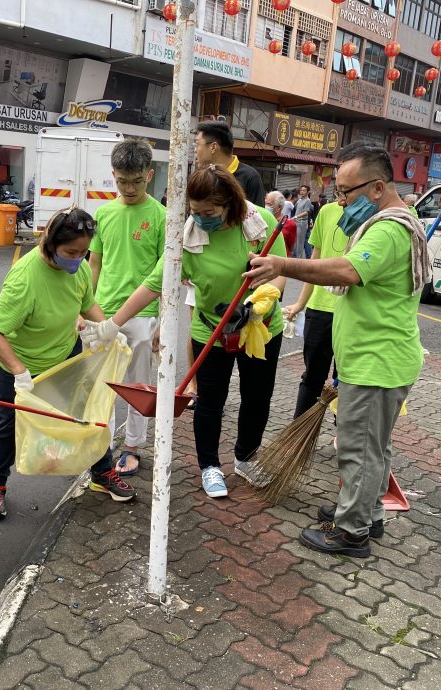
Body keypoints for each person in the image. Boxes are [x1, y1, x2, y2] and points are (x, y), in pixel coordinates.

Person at [244, 143, 430, 558]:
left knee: (358, 449)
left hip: (376, 361)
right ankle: (366, 513)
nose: (340, 200)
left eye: (346, 192)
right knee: (373, 447)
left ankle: (351, 532)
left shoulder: (388, 230)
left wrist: (283, 265)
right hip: (378, 358)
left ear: (378, 187)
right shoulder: (397, 220)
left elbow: (348, 269)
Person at [86, 166, 287, 499]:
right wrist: (111, 324)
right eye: (195, 211)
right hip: (212, 330)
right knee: (209, 401)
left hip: (260, 328)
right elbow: (153, 285)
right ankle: (209, 466)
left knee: (257, 397)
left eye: (209, 212)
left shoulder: (259, 222)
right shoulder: (188, 239)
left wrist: (262, 301)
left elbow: (280, 271)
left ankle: (246, 458)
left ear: (230, 204)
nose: (201, 218)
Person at [0, 207, 136, 519]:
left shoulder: (76, 269)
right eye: (71, 252)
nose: (78, 259)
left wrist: (107, 328)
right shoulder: (25, 279)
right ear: (50, 244)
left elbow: (87, 303)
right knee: (10, 422)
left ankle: (102, 472)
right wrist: (19, 371)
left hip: (63, 354)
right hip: (19, 361)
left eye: (83, 252)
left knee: (84, 411)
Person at [88, 138, 165, 476]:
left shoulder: (163, 217)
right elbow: (93, 265)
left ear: (149, 174)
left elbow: (167, 274)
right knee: (100, 386)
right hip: (101, 314)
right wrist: (83, 309)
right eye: (122, 181)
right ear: (113, 175)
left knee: (137, 387)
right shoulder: (103, 213)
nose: (129, 188)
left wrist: (164, 321)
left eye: (136, 180)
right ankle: (101, 446)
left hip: (143, 318)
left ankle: (132, 447)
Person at [282, 199, 346, 418]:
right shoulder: (327, 211)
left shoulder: (377, 217)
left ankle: (344, 434)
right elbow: (314, 262)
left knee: (347, 380)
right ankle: (299, 433)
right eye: (339, 190)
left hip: (353, 313)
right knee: (312, 377)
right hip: (319, 309)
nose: (343, 197)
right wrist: (301, 303)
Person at [194, 121, 265, 206]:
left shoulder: (250, 177)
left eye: (197, 144)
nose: (195, 150)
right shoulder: (204, 177)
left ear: (213, 147)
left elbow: (258, 217)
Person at [265, 191, 298, 256]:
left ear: (279, 207)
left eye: (269, 204)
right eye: (265, 203)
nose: (266, 207)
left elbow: (291, 248)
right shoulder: (263, 220)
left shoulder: (290, 224)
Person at [293, 185, 314, 259]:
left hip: (302, 223)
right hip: (296, 222)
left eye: (304, 190)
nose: (302, 192)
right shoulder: (300, 200)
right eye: (301, 190)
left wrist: (296, 216)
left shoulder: (307, 201)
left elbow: (306, 212)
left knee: (300, 243)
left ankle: (298, 259)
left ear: (308, 192)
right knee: (295, 241)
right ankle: (294, 257)